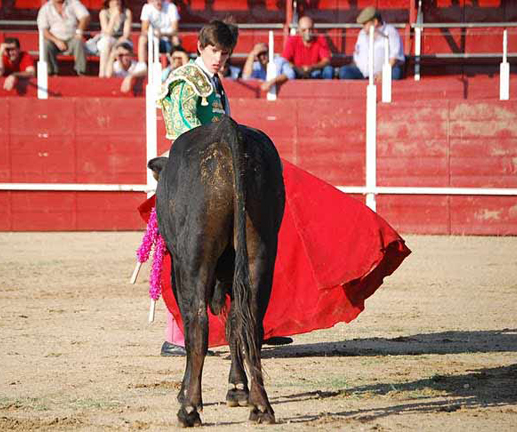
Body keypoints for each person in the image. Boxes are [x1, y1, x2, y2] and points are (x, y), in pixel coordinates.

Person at [139, 19, 410, 357]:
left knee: (255, 243)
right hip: (190, 173)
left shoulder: (216, 82)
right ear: (200, 48)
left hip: (220, 168)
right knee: (185, 252)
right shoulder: (184, 80)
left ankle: (257, 323)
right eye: (213, 51)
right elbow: (183, 133)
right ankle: (178, 335)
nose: (218, 58)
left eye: (224, 53)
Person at [340, 6, 405, 81]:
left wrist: (384, 73)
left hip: (384, 72)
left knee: (394, 73)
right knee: (344, 71)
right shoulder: (362, 33)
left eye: (365, 24)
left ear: (375, 22)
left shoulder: (390, 31)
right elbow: (357, 54)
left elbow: (394, 57)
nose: (363, 27)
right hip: (363, 73)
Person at [37, 0, 90, 76]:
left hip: (72, 37)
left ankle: (81, 72)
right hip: (54, 40)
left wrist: (79, 32)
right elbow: (43, 30)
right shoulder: (45, 8)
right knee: (46, 44)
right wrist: (56, 41)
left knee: (78, 42)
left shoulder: (73, 3)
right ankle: (51, 73)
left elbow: (85, 16)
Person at [282, 15, 334, 79]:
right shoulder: (292, 40)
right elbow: (285, 60)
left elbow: (326, 60)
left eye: (310, 29)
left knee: (328, 70)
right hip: (297, 71)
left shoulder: (320, 39)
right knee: (288, 71)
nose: (308, 32)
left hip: (315, 71)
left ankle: (326, 89)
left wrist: (313, 67)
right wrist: (298, 69)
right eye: (304, 30)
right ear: (299, 30)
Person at [93, 0, 133, 78]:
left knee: (123, 46)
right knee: (106, 42)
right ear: (109, 2)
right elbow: (107, 33)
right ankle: (102, 73)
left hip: (121, 39)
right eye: (114, 0)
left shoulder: (127, 12)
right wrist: (113, 18)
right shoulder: (103, 13)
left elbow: (126, 33)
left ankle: (123, 73)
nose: (116, 2)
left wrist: (118, 44)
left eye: (118, 0)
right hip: (107, 39)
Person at [138, 0, 180, 71]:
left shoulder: (171, 7)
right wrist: (155, 34)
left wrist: (161, 34)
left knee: (175, 39)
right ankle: (142, 65)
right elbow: (144, 29)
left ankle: (178, 63)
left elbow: (175, 30)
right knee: (142, 39)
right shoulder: (147, 8)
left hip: (167, 40)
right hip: (152, 40)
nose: (158, 2)